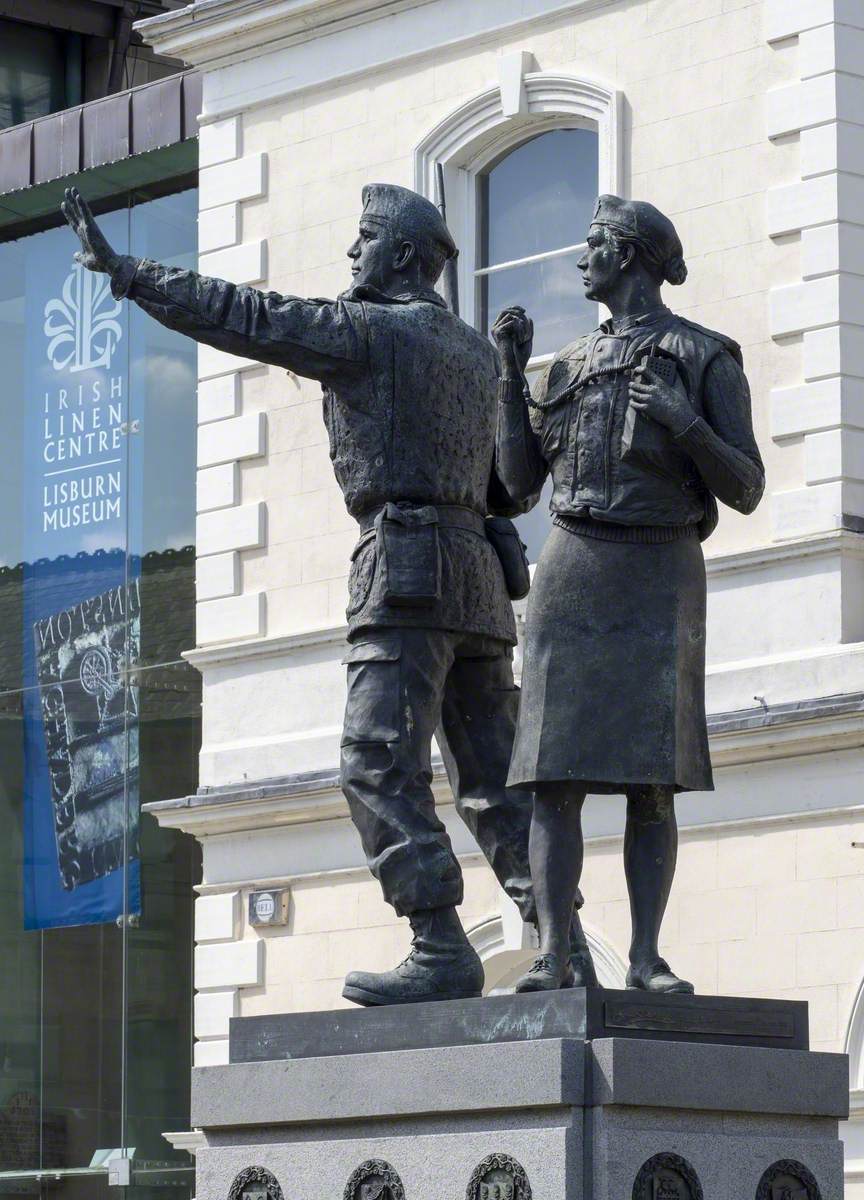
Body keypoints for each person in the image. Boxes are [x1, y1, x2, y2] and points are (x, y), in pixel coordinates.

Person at [61, 183, 597, 1006]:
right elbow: (509, 489)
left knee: (376, 761)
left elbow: (246, 314)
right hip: (480, 588)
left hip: (406, 571)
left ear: (405, 257)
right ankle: (565, 947)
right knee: (492, 779)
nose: (353, 255)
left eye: (366, 239)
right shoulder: (474, 356)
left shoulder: (368, 332)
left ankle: (438, 941)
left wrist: (131, 273)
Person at [492, 195, 765, 994]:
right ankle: (553, 955)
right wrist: (511, 372)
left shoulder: (706, 356)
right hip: (573, 567)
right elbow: (514, 485)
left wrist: (684, 422)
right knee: (552, 778)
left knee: (653, 780)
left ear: (633, 255)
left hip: (659, 570)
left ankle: (645, 961)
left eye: (594, 245)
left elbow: (746, 486)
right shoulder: (570, 365)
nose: (581, 260)